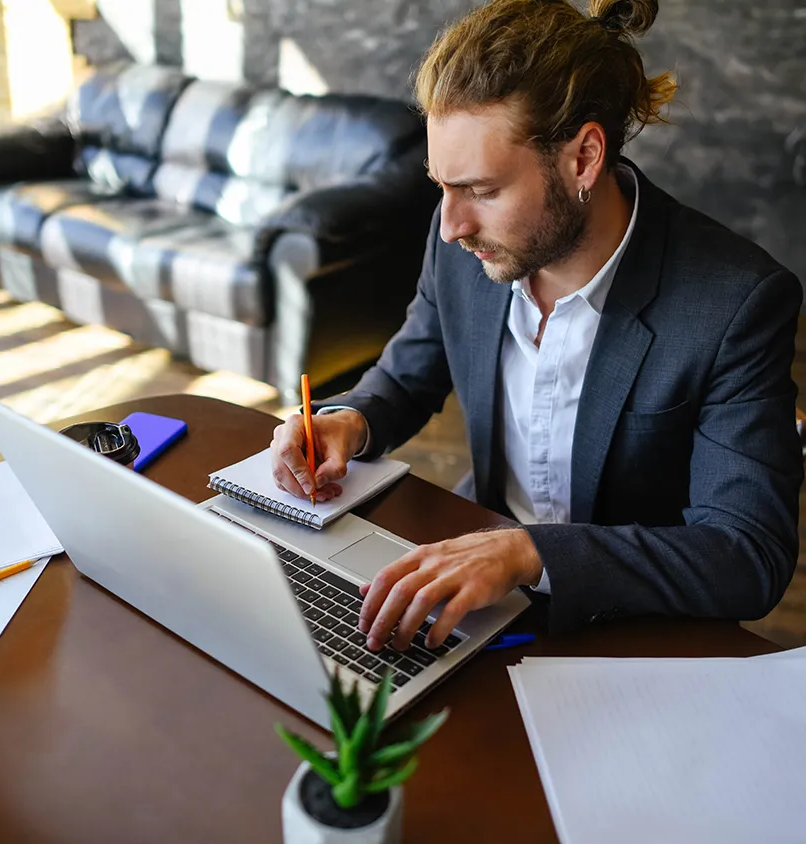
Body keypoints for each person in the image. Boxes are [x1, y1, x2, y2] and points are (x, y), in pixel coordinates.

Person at [269, 0, 804, 652]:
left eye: (483, 191)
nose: (451, 226)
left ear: (582, 159)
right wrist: (351, 419)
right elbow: (411, 370)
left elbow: (746, 556)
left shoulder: (735, 304)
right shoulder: (466, 243)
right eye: (442, 186)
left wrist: (529, 554)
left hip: (630, 628)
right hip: (478, 593)